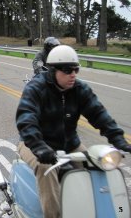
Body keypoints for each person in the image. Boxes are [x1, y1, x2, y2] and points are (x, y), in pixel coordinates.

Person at [16, 45, 131, 218]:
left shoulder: (80, 89)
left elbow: (99, 114)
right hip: (35, 144)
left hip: (70, 145)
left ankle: (112, 212)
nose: (73, 74)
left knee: (98, 166)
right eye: (68, 70)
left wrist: (118, 138)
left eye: (76, 69)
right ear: (53, 70)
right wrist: (39, 146)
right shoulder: (35, 88)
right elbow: (26, 119)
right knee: (45, 168)